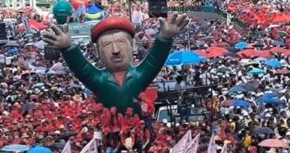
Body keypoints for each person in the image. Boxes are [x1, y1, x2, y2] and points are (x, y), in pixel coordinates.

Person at [42, 14, 190, 113]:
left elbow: (154, 61)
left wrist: (165, 39)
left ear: (132, 46)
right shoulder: (99, 80)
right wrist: (68, 48)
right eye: (107, 45)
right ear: (97, 51)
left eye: (120, 42)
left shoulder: (139, 76)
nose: (115, 50)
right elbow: (81, 68)